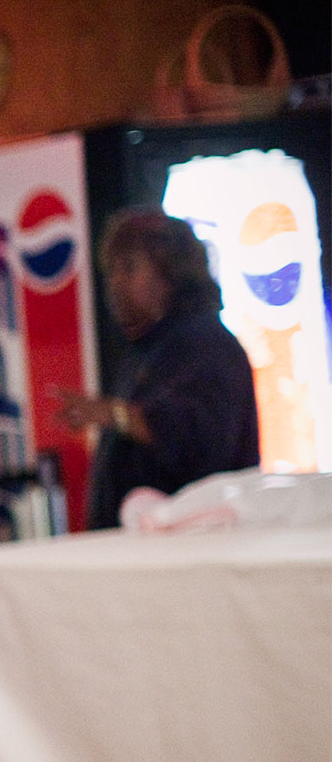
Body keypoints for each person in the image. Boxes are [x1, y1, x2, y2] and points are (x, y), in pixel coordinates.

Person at [57, 207, 260, 529]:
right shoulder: (146, 349)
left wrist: (117, 415)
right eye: (110, 272)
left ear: (171, 274)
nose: (115, 284)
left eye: (129, 268)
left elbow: (197, 441)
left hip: (193, 555)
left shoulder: (207, 345)